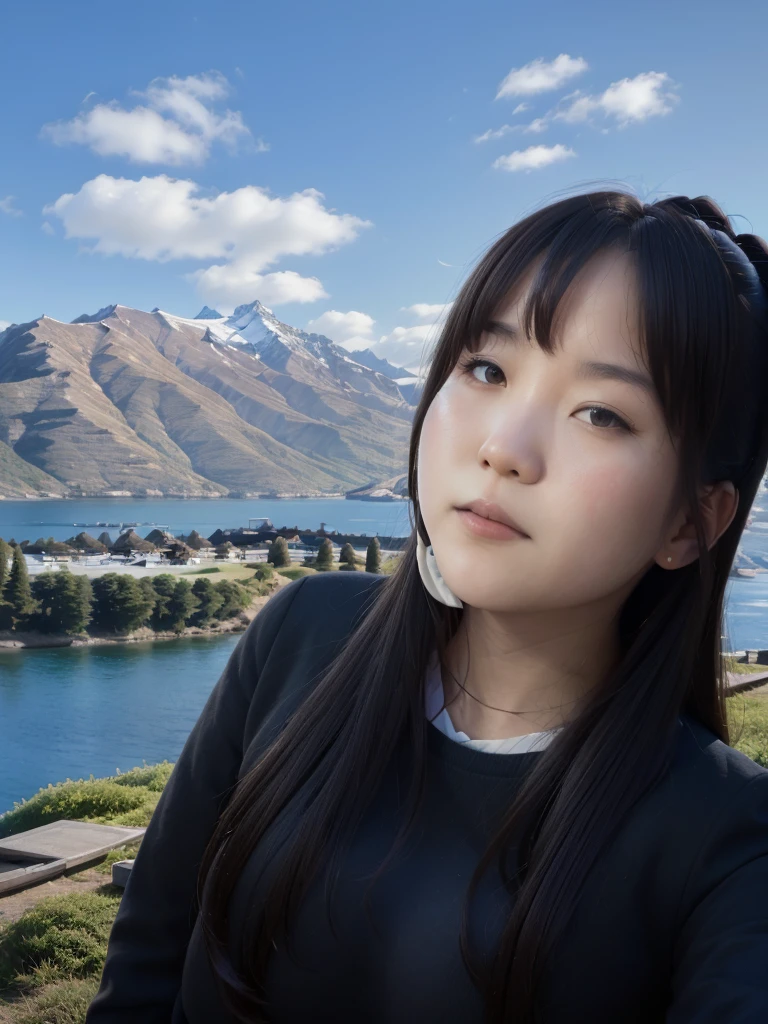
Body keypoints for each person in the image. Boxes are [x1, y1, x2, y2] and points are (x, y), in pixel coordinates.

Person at [86, 190, 768, 1024]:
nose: (503, 449)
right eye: (487, 370)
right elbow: (148, 958)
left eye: (601, 413)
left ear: (692, 522)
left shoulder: (733, 842)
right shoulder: (303, 632)